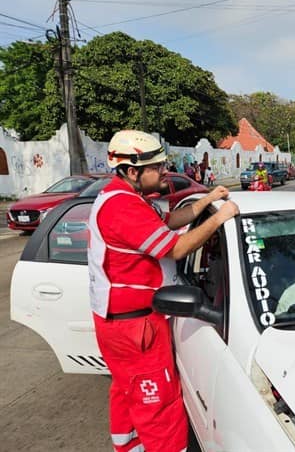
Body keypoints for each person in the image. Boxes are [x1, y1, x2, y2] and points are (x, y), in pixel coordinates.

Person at [88, 130, 238, 452]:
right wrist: (220, 218)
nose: (164, 172)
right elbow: (178, 248)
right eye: (156, 167)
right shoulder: (123, 209)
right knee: (159, 406)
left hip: (121, 324)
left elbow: (170, 221)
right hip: (136, 328)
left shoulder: (126, 199)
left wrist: (208, 201)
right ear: (133, 171)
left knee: (129, 394)